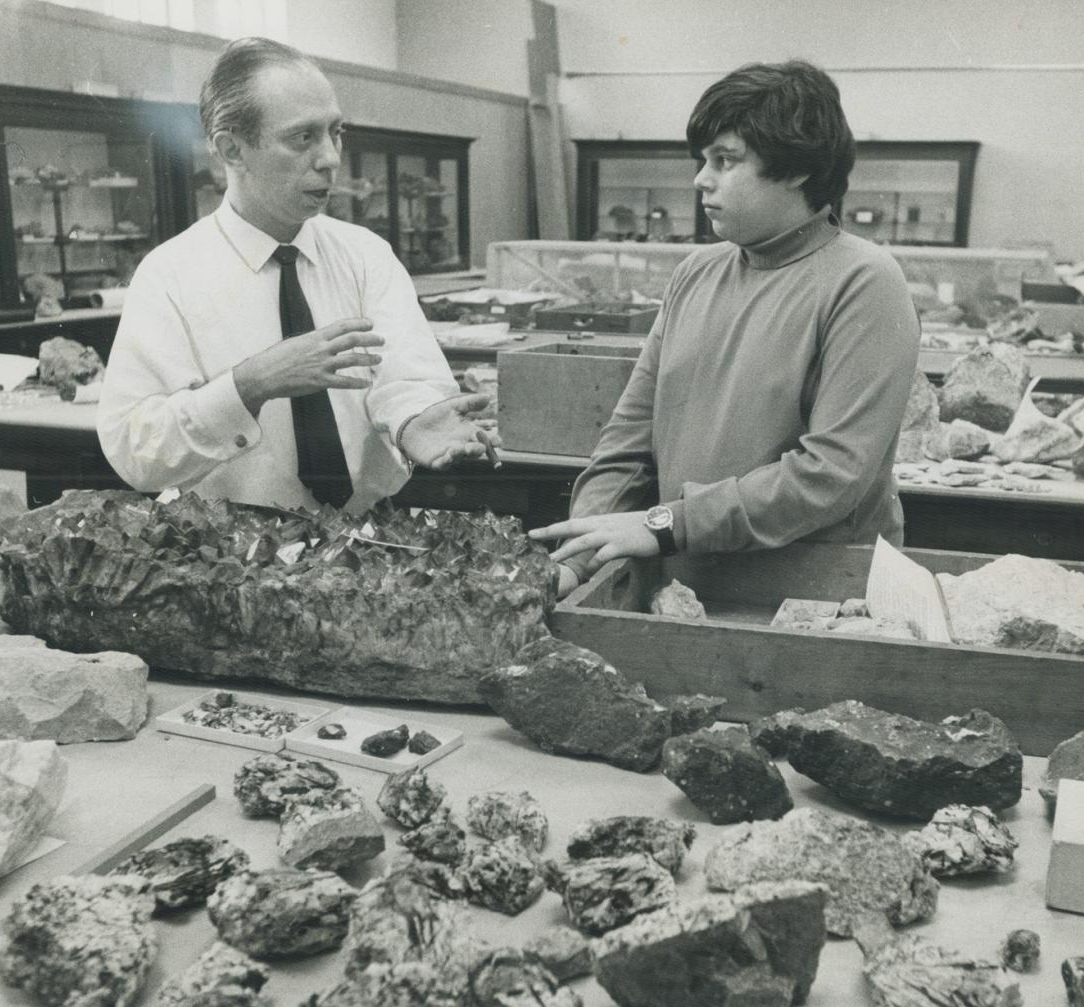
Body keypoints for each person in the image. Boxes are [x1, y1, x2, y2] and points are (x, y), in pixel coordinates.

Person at [531, 60, 920, 594]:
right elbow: (627, 443)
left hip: (812, 594)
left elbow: (831, 475)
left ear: (798, 167)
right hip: (683, 579)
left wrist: (668, 524)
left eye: (725, 160)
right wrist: (579, 555)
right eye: (703, 160)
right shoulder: (696, 273)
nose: (700, 179)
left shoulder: (866, 281)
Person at [98, 37, 494, 514]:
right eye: (302, 137)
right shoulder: (168, 277)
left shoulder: (366, 255)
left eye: (335, 132)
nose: (330, 158)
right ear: (232, 149)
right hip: (229, 557)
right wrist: (247, 385)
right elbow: (134, 451)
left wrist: (415, 418)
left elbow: (407, 375)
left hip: (366, 539)